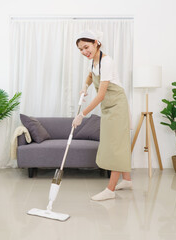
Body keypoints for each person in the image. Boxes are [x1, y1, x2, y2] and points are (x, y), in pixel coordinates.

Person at [72, 30, 132, 201]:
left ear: (96, 42)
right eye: (81, 49)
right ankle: (127, 180)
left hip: (117, 106)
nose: (84, 52)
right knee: (117, 143)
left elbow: (101, 95)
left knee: (116, 146)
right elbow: (91, 75)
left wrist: (81, 115)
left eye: (86, 47)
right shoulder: (94, 62)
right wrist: (85, 86)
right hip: (108, 107)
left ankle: (110, 190)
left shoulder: (106, 62)